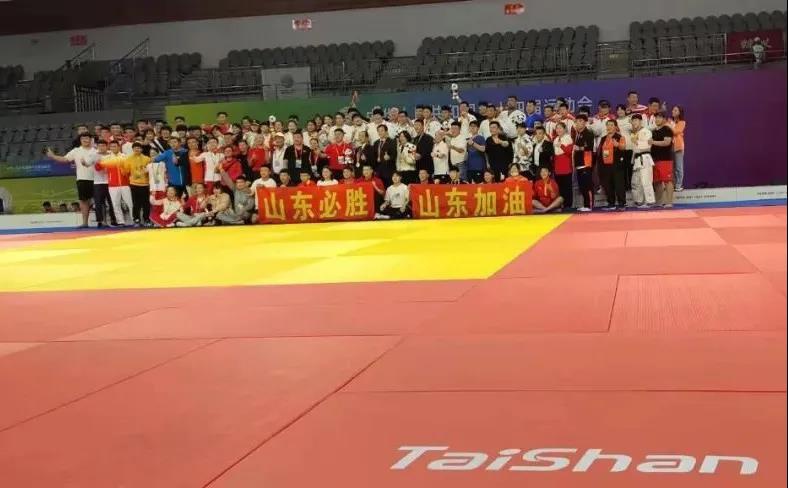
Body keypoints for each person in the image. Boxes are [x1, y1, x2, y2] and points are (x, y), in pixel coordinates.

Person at [47, 133, 97, 228]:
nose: (85, 140)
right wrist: (53, 156)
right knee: (83, 201)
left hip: (97, 179)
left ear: (91, 140)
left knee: (99, 201)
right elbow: (65, 159)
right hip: (82, 179)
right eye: (83, 138)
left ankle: (102, 221)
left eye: (87, 138)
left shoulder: (96, 150)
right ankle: (85, 223)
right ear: (80, 140)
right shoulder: (76, 151)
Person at [95, 140, 134, 226]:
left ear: (119, 147)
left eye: (115, 146)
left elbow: (130, 169)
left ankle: (134, 220)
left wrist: (126, 172)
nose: (113, 148)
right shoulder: (107, 158)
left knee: (130, 203)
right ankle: (120, 222)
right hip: (113, 185)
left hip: (125, 184)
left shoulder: (125, 157)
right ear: (110, 148)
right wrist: (98, 160)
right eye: (111, 147)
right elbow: (98, 168)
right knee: (116, 204)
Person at [596, 120, 628, 210]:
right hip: (605, 165)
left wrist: (617, 145)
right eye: (607, 125)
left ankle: (622, 204)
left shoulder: (620, 137)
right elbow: (599, 152)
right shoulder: (603, 138)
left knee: (619, 185)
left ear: (615, 127)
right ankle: (611, 203)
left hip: (616, 165)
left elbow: (623, 147)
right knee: (607, 185)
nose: (609, 127)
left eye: (611, 125)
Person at [630, 114, 656, 208]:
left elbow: (648, 146)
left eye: (636, 120)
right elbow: (634, 149)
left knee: (646, 180)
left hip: (645, 157)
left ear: (641, 121)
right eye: (633, 121)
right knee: (636, 182)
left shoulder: (646, 131)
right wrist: (632, 160)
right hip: (636, 159)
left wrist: (636, 142)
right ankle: (639, 201)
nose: (634, 122)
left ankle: (650, 201)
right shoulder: (634, 133)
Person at [650, 111, 674, 208]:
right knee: (657, 182)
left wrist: (653, 142)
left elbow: (667, 142)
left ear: (664, 119)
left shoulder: (667, 129)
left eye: (659, 117)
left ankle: (669, 202)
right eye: (656, 118)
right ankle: (659, 202)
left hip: (665, 159)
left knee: (667, 181)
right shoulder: (653, 131)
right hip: (654, 159)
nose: (657, 119)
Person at [573, 114, 595, 212]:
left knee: (587, 185)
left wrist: (579, 148)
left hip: (586, 162)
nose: (578, 123)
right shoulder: (578, 134)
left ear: (585, 122)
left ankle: (589, 205)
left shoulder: (588, 133)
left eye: (580, 121)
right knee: (582, 186)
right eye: (577, 121)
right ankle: (585, 205)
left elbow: (589, 147)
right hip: (579, 163)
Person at [552, 122, 574, 210]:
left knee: (567, 187)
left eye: (560, 128)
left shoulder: (568, 138)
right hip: (557, 166)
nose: (558, 130)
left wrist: (561, 146)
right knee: (559, 187)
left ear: (565, 129)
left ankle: (568, 205)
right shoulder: (555, 139)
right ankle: (561, 204)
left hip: (566, 166)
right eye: (557, 128)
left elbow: (569, 151)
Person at [669, 105, 686, 192]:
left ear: (679, 113)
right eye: (673, 110)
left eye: (675, 110)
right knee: (671, 167)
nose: (673, 111)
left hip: (678, 147)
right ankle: (673, 184)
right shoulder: (669, 121)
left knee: (678, 167)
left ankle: (678, 185)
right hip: (670, 146)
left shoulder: (682, 122)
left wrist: (670, 125)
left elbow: (675, 132)